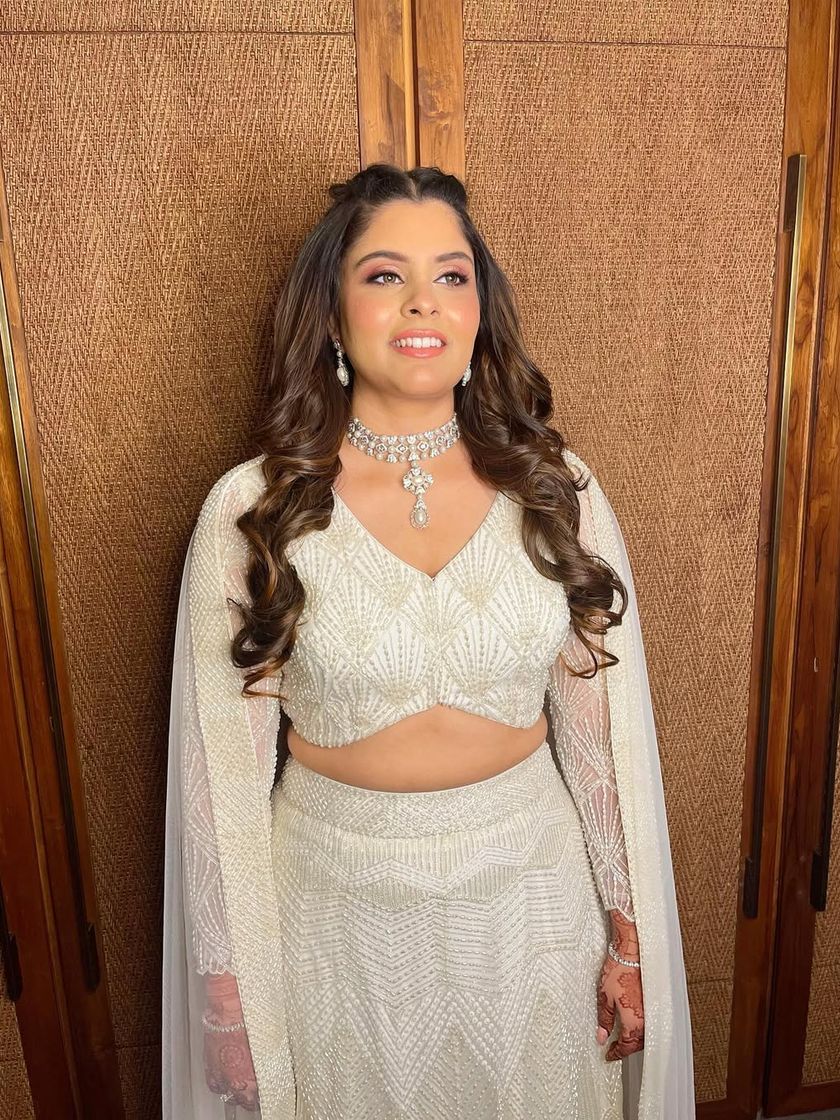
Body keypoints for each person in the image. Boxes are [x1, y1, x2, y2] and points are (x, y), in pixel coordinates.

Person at [162, 163, 695, 1120]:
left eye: (452, 275)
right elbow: (218, 784)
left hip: (532, 910)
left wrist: (629, 933)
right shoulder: (255, 510)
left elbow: (600, 736)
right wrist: (226, 992)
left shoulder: (554, 488)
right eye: (384, 275)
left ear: (480, 310)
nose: (423, 301)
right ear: (332, 315)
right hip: (337, 922)